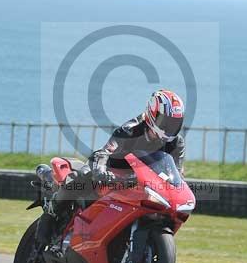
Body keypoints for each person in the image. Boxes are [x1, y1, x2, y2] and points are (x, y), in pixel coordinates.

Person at [35, 89, 186, 245]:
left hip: (140, 183)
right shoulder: (131, 130)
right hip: (111, 172)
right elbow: (105, 152)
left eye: (175, 123)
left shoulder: (176, 143)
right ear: (152, 114)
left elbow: (177, 174)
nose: (170, 128)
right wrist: (100, 172)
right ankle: (50, 215)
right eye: (166, 122)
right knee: (82, 178)